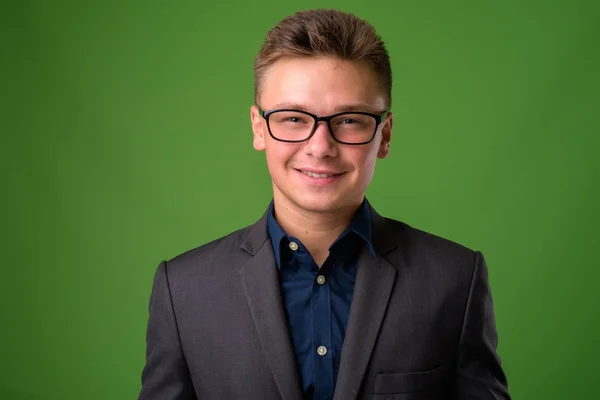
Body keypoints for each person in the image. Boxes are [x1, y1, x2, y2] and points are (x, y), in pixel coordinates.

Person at [138, 8, 510, 400]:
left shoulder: (455, 280)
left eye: (350, 120)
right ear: (258, 127)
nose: (320, 147)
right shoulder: (183, 290)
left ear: (384, 135)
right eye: (294, 118)